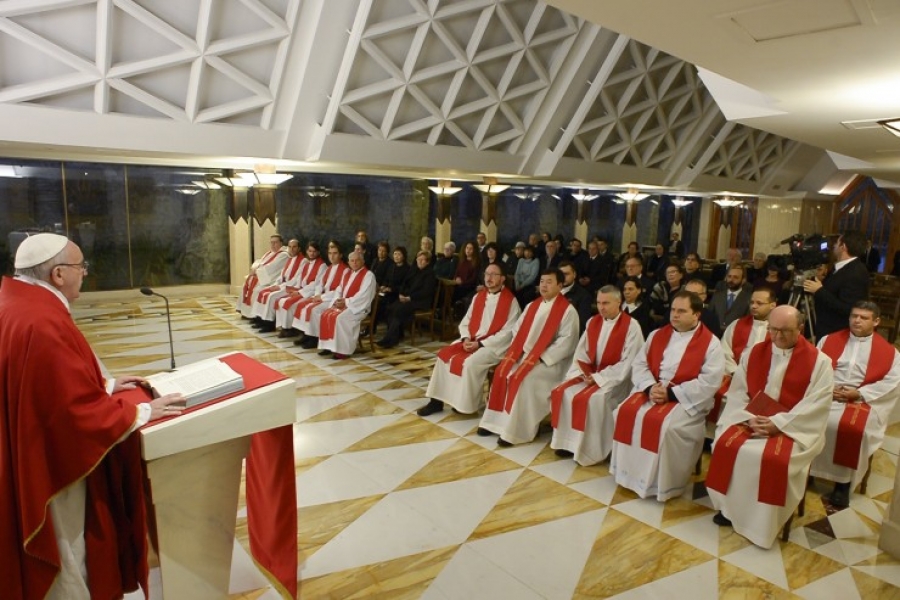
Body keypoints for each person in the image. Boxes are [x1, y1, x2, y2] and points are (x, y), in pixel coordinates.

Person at [1, 233, 184, 599]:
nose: (84, 272)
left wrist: (105, 384)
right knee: (66, 550)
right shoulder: (42, 321)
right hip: (48, 462)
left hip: (23, 438)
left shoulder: (20, 301)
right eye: (80, 266)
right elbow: (69, 412)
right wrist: (139, 410)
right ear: (57, 274)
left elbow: (47, 381)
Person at [705, 306, 832, 549]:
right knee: (726, 445)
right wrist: (747, 418)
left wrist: (778, 423)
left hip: (794, 428)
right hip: (752, 419)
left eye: (785, 330)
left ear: (801, 329)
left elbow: (817, 404)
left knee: (772, 460)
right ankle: (730, 509)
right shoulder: (754, 353)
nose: (777, 336)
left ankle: (763, 523)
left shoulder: (820, 362)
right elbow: (739, 391)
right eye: (773, 329)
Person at [610, 291, 724, 501]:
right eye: (673, 310)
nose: (675, 315)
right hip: (653, 389)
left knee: (667, 427)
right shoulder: (657, 335)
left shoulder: (711, 343)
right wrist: (649, 387)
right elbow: (640, 364)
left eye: (681, 311)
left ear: (696, 315)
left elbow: (709, 382)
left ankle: (662, 484)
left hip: (685, 398)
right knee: (624, 412)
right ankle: (628, 474)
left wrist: (671, 393)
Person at [812, 302, 900, 508]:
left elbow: (892, 382)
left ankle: (842, 484)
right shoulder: (828, 340)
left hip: (861, 399)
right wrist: (827, 387)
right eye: (854, 316)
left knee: (851, 429)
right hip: (827, 393)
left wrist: (859, 393)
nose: (857, 320)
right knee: (809, 420)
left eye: (864, 317)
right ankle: (808, 470)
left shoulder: (891, 353)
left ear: (876, 321)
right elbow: (814, 367)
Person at [478, 269, 579, 446]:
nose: (544, 285)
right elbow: (517, 329)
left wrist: (540, 358)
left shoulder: (568, 311)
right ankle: (493, 422)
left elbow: (566, 343)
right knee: (503, 372)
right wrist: (519, 352)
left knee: (523, 379)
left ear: (560, 285)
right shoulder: (532, 305)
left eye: (549, 282)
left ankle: (516, 431)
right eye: (542, 281)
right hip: (525, 356)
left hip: (551, 363)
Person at [550, 286, 644, 465]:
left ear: (619, 302)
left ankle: (591, 451)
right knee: (564, 391)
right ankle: (568, 443)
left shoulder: (632, 327)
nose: (601, 307)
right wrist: (584, 373)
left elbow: (629, 362)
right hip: (591, 374)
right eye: (599, 303)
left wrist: (600, 377)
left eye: (606, 303)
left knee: (594, 399)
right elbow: (582, 353)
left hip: (616, 380)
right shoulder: (593, 322)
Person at [418, 264, 521, 416]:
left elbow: (508, 332)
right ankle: (436, 402)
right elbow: (466, 321)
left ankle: (464, 406)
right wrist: (466, 338)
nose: (489, 278)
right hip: (471, 339)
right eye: (487, 274)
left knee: (469, 364)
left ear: (502, 278)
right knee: (443, 356)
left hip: (493, 347)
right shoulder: (478, 297)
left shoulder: (510, 301)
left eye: (494, 274)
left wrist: (480, 344)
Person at [712, 288, 777, 423]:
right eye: (752, 302)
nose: (754, 306)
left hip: (766, 382)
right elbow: (724, 352)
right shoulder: (737, 324)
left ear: (772, 305)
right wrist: (737, 373)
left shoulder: (778, 330)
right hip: (734, 377)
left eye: (759, 303)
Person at [803, 230, 871, 340]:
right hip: (825, 326)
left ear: (843, 246)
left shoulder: (856, 272)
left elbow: (849, 308)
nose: (834, 246)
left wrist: (819, 290)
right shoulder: (841, 267)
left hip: (837, 332)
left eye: (837, 243)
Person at [315, 251, 377, 360]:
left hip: (358, 308)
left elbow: (363, 296)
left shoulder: (369, 276)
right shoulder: (347, 273)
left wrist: (346, 302)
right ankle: (329, 347)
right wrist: (337, 301)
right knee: (325, 314)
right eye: (352, 261)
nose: (354, 263)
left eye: (357, 260)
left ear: (363, 261)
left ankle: (343, 351)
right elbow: (339, 289)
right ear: (348, 262)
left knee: (341, 318)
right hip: (344, 304)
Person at [376, 251, 437, 348]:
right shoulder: (414, 270)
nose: (420, 262)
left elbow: (426, 292)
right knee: (390, 308)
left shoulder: (430, 274)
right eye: (418, 259)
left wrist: (409, 298)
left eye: (423, 260)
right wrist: (401, 294)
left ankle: (390, 339)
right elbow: (404, 284)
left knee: (399, 310)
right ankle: (397, 335)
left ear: (428, 262)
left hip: (420, 301)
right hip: (407, 298)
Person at [293, 242, 348, 347]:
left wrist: (322, 297)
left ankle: (314, 338)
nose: (332, 256)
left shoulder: (345, 270)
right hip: (323, 296)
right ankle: (306, 334)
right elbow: (320, 284)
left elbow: (340, 290)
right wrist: (317, 294)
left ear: (341, 255)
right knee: (303, 305)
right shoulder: (329, 268)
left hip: (332, 299)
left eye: (335, 253)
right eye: (330, 253)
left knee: (314, 310)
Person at [273, 241, 326, 337]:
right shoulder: (306, 264)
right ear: (307, 251)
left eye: (314, 251)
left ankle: (294, 329)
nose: (312, 253)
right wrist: (296, 289)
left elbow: (316, 283)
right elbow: (299, 278)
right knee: (282, 301)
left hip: (310, 292)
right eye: (310, 251)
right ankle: (285, 328)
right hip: (301, 289)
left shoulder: (322, 265)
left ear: (318, 252)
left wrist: (300, 292)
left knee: (293, 304)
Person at [250, 238, 302, 332]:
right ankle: (260, 319)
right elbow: (282, 275)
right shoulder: (290, 259)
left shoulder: (302, 261)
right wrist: (275, 284)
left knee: (271, 296)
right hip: (283, 284)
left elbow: (296, 279)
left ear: (299, 248)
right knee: (263, 292)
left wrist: (280, 286)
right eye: (290, 247)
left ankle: (269, 324)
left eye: (294, 247)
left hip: (292, 287)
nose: (291, 249)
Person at [237, 234, 288, 318]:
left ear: (281, 243)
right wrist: (254, 268)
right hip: (261, 276)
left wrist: (256, 271)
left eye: (275, 242)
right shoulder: (269, 253)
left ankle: (253, 314)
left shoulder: (284, 255)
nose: (273, 245)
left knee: (257, 289)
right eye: (271, 242)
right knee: (246, 285)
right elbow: (259, 261)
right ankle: (244, 311)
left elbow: (272, 268)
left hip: (271, 280)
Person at [710, 265, 751, 332]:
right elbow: (710, 316)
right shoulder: (717, 296)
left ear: (743, 280)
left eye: (735, 277)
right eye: (729, 276)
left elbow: (748, 321)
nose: (731, 280)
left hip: (736, 333)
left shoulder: (748, 298)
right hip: (715, 333)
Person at [559, 260, 592, 333]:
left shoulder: (584, 295)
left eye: (566, 274)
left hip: (569, 335)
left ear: (574, 275)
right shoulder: (552, 292)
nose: (563, 277)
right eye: (560, 274)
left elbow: (582, 324)